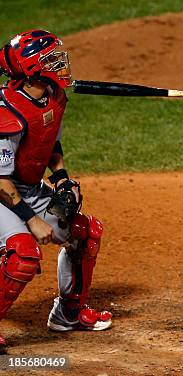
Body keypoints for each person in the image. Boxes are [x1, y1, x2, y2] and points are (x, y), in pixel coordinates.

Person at [0, 30, 112, 353]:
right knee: (23, 252)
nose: (60, 63)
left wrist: (61, 178)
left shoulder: (52, 96)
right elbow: (1, 179)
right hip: (3, 190)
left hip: (27, 187)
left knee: (85, 232)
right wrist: (32, 220)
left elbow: (48, 141)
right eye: (51, 59)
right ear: (33, 68)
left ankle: (68, 314)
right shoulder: (7, 111)